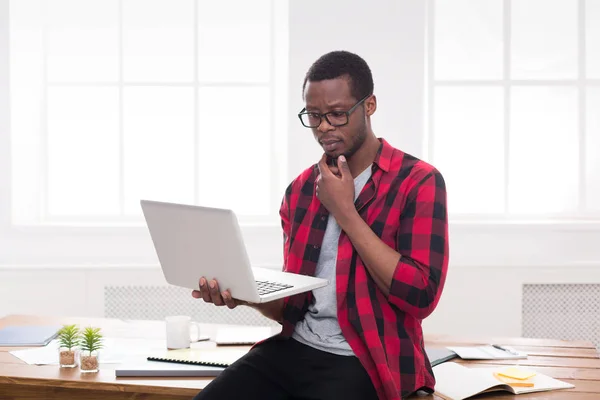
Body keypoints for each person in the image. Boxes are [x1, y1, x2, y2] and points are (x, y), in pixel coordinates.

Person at [191, 50, 449, 400]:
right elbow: (292, 307)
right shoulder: (299, 191)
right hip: (295, 349)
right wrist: (244, 294)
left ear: (369, 106)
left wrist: (345, 211)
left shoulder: (418, 182)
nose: (324, 126)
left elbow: (421, 296)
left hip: (367, 360)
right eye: (314, 116)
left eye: (337, 114)